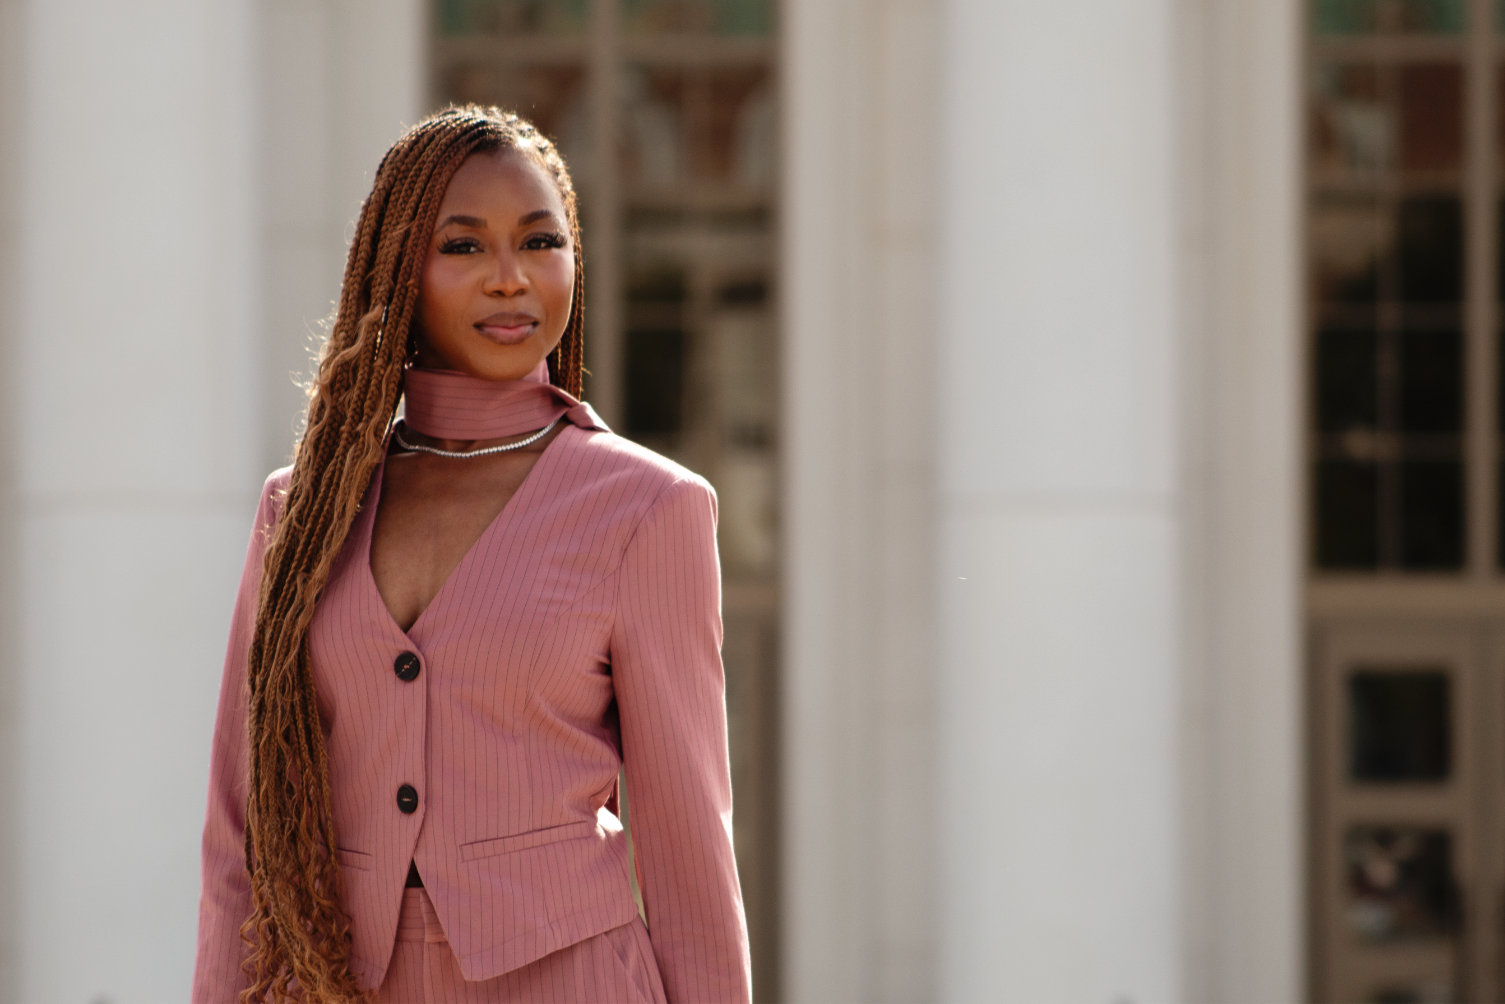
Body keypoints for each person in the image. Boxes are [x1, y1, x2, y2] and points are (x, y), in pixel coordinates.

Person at [191, 105, 751, 1003]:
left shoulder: (650, 508)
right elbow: (240, 832)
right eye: (463, 246)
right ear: (398, 271)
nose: (509, 279)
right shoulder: (300, 510)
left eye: (540, 242)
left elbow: (689, 845)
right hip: (336, 981)